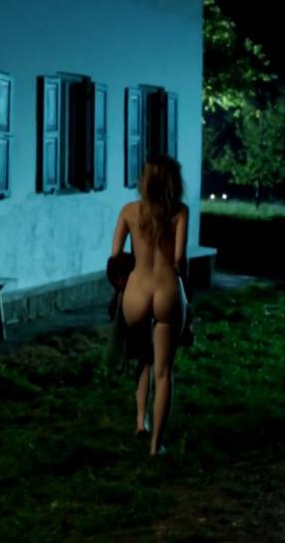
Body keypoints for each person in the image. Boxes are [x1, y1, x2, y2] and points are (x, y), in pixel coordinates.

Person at [109, 155, 188, 456]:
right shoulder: (179, 212)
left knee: (143, 357)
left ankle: (140, 421)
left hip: (136, 292)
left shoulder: (129, 211)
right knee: (164, 371)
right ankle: (157, 444)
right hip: (166, 289)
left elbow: (116, 255)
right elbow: (179, 259)